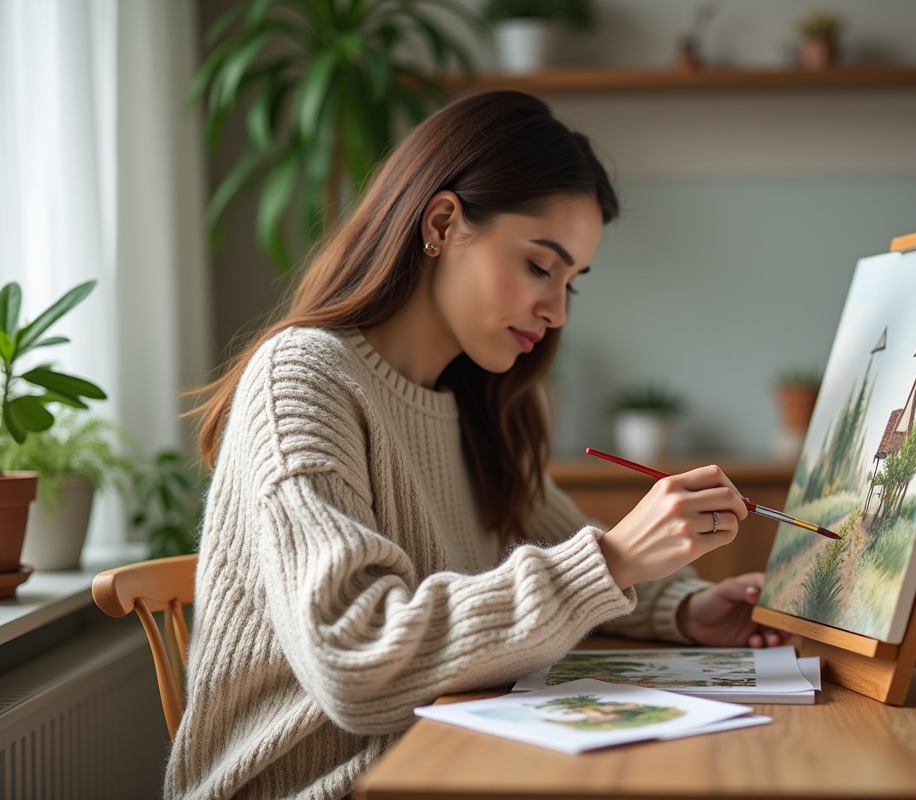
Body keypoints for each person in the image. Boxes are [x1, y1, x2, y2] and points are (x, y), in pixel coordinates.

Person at [167, 90, 783, 800]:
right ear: (443, 223)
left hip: (446, 765)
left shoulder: (476, 408)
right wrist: (613, 559)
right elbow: (357, 662)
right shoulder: (304, 377)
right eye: (540, 266)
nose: (555, 312)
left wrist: (682, 608)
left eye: (572, 283)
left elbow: (564, 553)